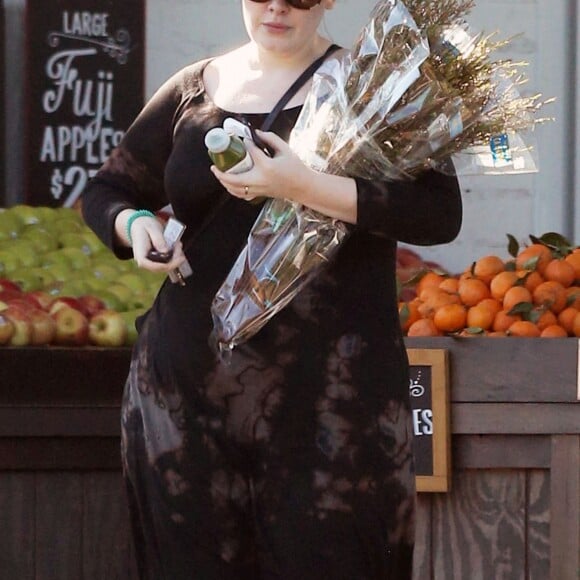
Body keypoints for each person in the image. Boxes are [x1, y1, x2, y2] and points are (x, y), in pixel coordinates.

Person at [81, 0, 462, 578]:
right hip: (185, 393)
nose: (278, 6)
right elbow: (108, 189)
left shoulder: (375, 86)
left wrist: (303, 184)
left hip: (329, 402)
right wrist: (137, 227)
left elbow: (438, 213)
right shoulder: (196, 88)